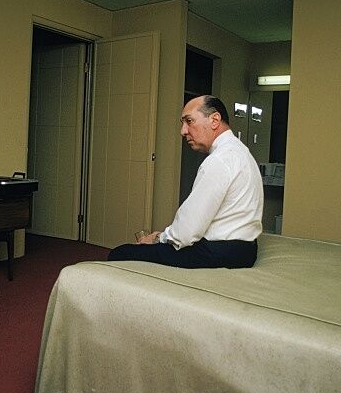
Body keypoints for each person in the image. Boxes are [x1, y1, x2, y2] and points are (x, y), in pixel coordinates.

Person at [108, 95, 263, 269]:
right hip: (246, 250)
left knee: (121, 253)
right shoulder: (241, 152)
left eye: (189, 121)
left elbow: (186, 234)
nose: (183, 131)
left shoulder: (219, 160)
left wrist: (157, 239)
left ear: (215, 120)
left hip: (221, 253)